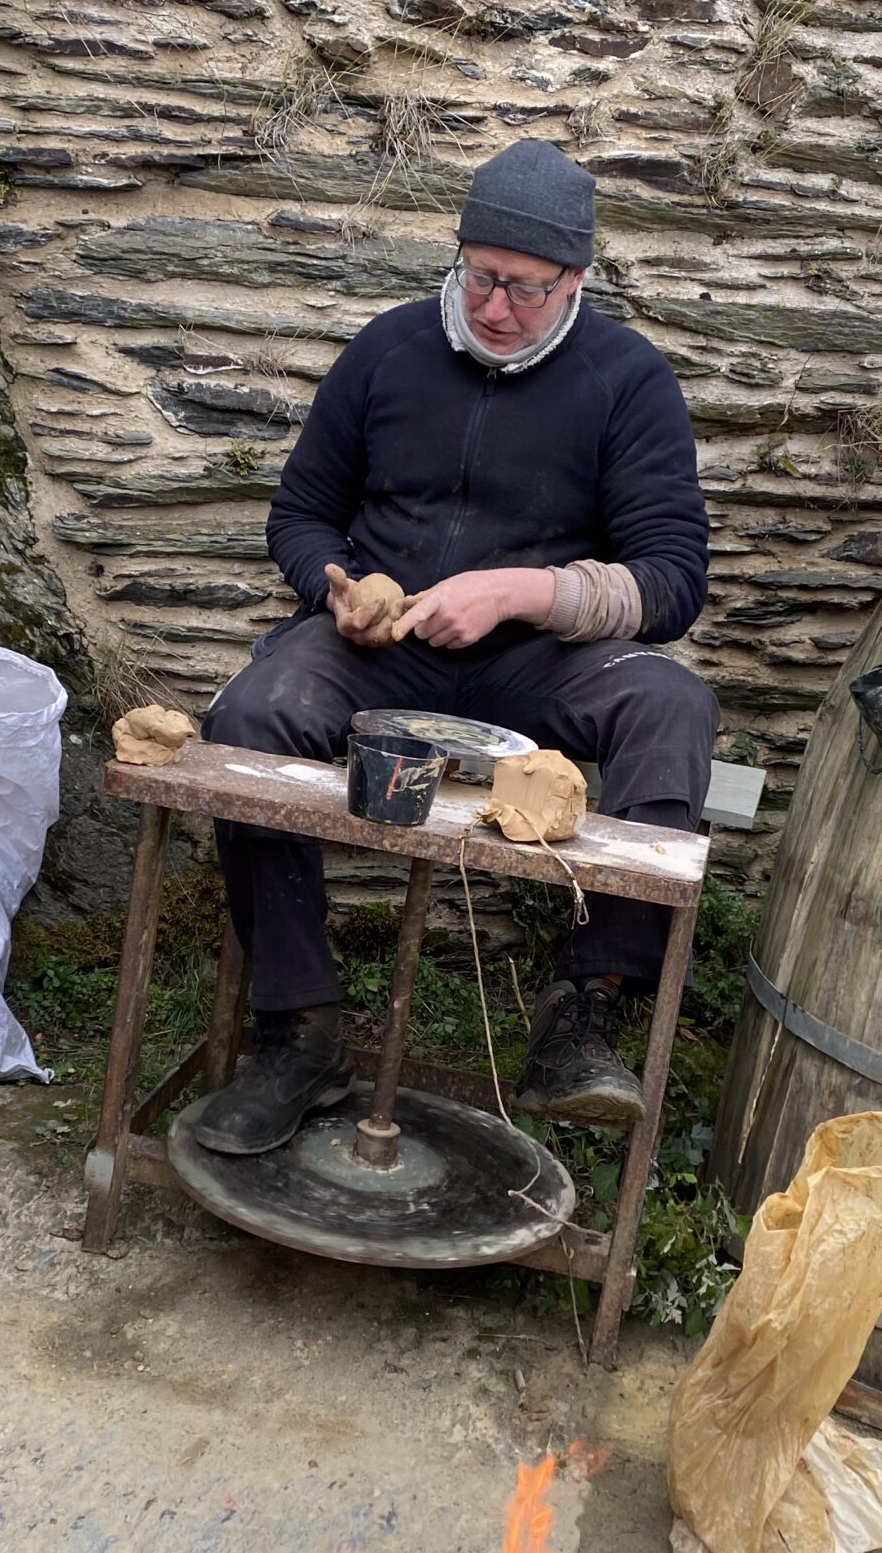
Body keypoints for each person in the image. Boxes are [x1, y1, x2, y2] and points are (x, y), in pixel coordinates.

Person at [195, 138, 716, 1156]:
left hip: (537, 659)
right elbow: (300, 515)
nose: (495, 308)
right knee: (252, 712)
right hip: (384, 650)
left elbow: (671, 582)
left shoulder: (627, 380)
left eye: (527, 288)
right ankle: (298, 1030)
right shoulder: (388, 350)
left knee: (673, 705)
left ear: (577, 279)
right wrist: (332, 588)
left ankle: (583, 1010)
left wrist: (529, 590)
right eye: (480, 275)